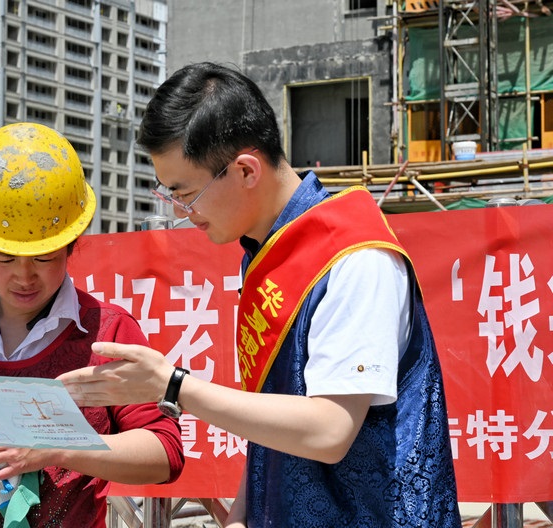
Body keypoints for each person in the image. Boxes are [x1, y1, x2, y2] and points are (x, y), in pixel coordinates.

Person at [58, 62, 461, 527]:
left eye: (186, 194)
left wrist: (172, 386)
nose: (183, 212)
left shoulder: (354, 257)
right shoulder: (264, 252)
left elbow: (329, 430)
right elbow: (274, 415)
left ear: (246, 170)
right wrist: (241, 513)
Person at [0, 122, 184, 528]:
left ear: (71, 246)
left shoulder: (105, 333)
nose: (24, 277)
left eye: (44, 258)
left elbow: (164, 453)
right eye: (4, 258)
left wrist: (56, 450)